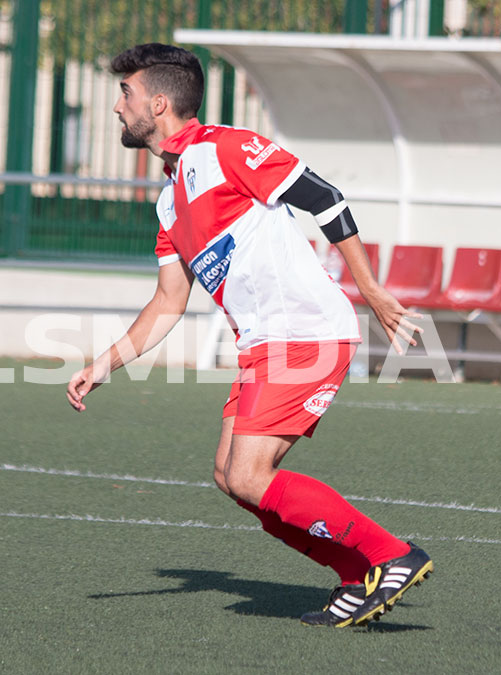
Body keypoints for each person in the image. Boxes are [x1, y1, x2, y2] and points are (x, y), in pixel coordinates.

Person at [65, 43, 433, 627]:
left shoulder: (225, 148)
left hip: (304, 332)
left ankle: (389, 555)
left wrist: (370, 289)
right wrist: (104, 364)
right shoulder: (169, 200)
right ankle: (356, 571)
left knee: (248, 474)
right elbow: (168, 302)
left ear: (158, 103)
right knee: (229, 478)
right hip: (264, 343)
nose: (117, 106)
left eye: (125, 93)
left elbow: (325, 198)